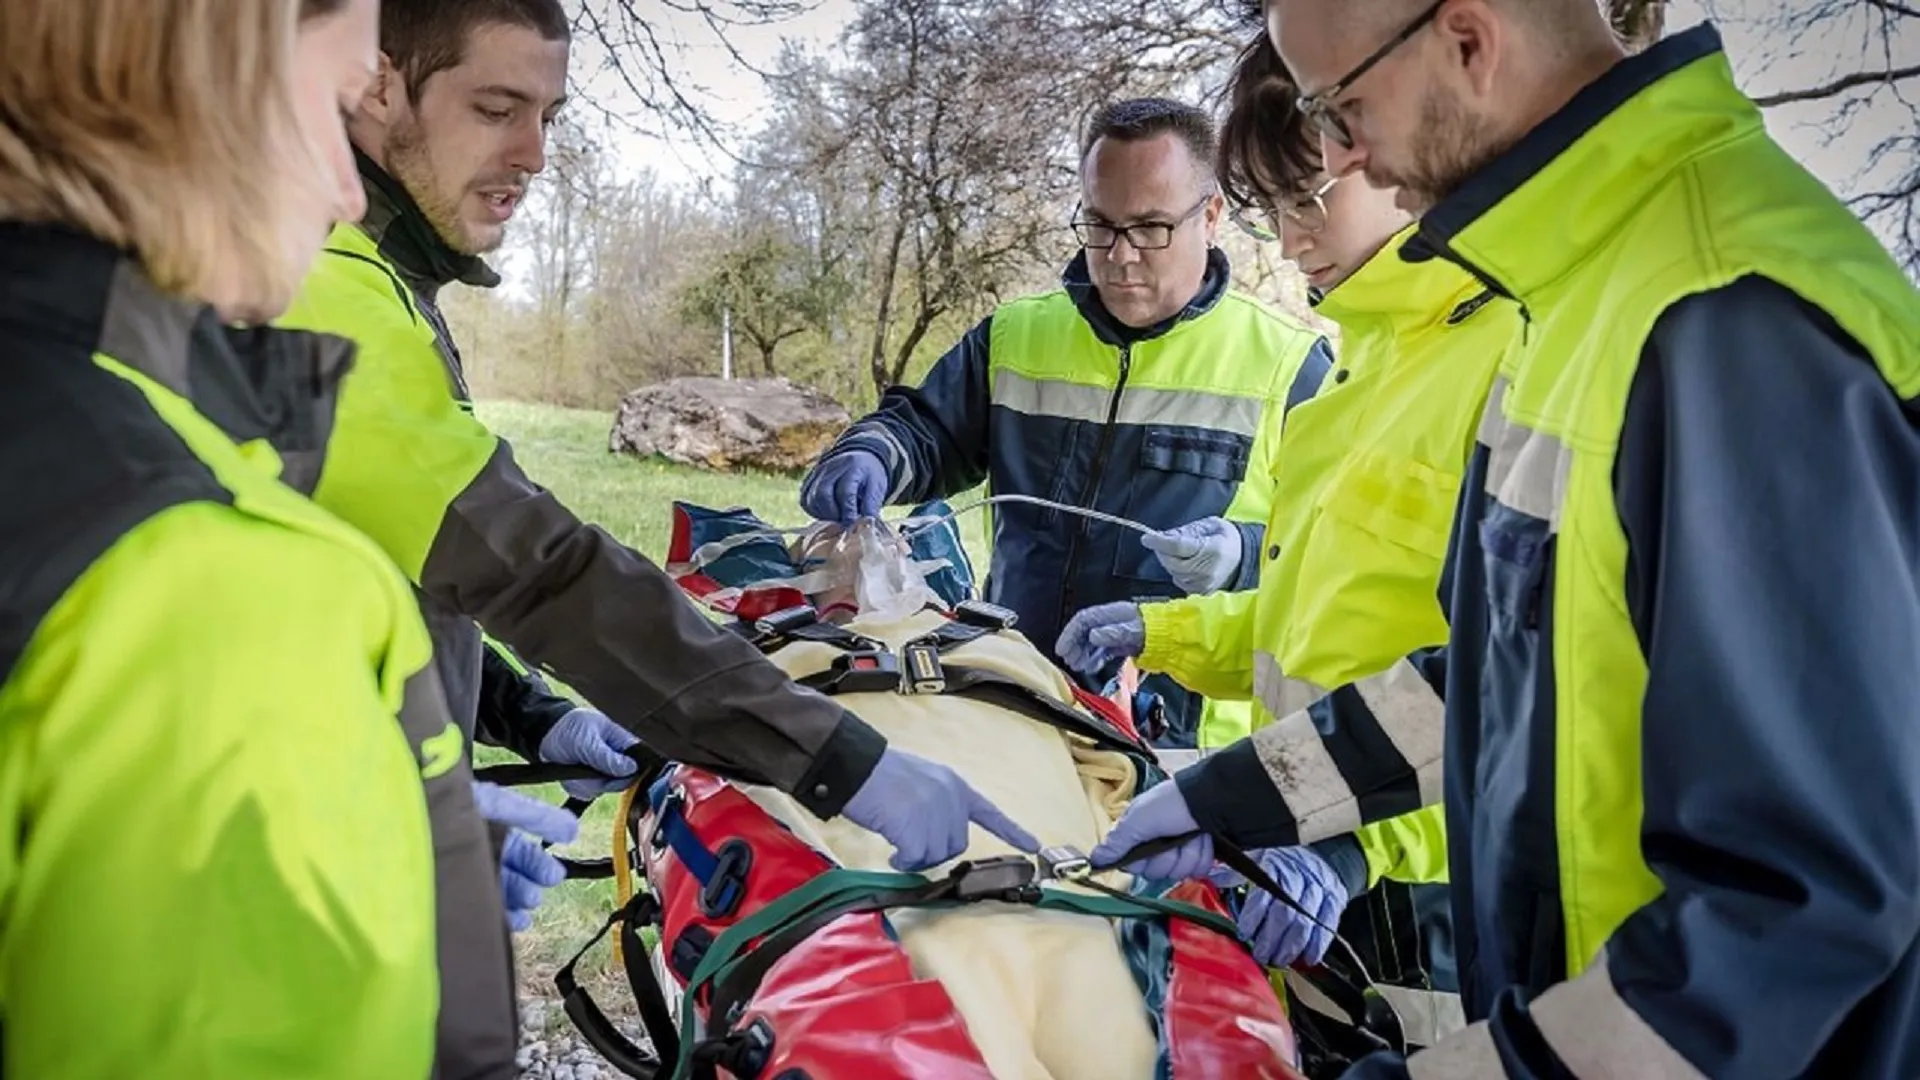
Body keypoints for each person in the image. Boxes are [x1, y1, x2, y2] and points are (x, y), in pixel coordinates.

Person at [1092, 2, 1920, 1076]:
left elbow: (1803, 911)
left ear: (1468, 41)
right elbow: (1503, 669)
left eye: (1343, 108)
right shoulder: (1573, 295)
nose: (1348, 156)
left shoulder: (1721, 312)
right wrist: (1230, 798)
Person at [275, 0, 1036, 908]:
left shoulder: (372, 280)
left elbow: (387, 582)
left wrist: (534, 719)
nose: (534, 153)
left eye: (547, 118)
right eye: (494, 108)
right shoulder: (322, 287)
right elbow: (535, 569)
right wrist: (836, 760)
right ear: (377, 88)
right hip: (294, 879)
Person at [0, 0, 519, 1075]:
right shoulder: (211, 578)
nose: (343, 188)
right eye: (335, 109)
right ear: (179, 88)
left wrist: (381, 816)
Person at [1057, 29, 1509, 1057]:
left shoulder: (1507, 358)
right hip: (1297, 860)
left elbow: (1516, 689)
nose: (1292, 236)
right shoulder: (1355, 370)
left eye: (1310, 197)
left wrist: (1355, 852)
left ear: (1397, 153)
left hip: (1433, 900)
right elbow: (1310, 632)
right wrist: (1159, 630)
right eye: (1271, 207)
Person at [799, 97, 1334, 750]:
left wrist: (1243, 556)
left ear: (1212, 216)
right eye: (1101, 224)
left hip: (1177, 747)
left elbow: (1334, 560)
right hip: (1012, 704)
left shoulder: (1290, 364)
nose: (1121, 256)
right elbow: (928, 431)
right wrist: (873, 454)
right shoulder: (1016, 335)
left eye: (1151, 228)